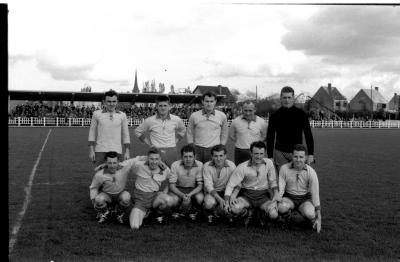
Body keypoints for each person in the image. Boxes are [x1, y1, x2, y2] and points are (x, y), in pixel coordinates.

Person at [224, 141, 280, 227]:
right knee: (234, 209)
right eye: (256, 153)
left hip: (263, 196)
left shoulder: (269, 163)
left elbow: (272, 181)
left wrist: (276, 193)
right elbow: (231, 184)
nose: (259, 156)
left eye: (261, 153)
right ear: (251, 153)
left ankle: (262, 215)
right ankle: (247, 214)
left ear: (264, 153)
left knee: (274, 214)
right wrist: (227, 201)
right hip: (247, 196)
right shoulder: (242, 167)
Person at [266, 86, 314, 172]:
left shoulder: (301, 114)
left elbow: (308, 134)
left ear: (293, 98)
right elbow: (270, 137)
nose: (287, 100)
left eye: (289, 97)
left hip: (297, 153)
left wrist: (311, 154)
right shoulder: (274, 116)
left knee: (298, 180)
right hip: (280, 153)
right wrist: (270, 156)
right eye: (284, 97)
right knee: (282, 181)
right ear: (281, 98)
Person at [277, 144, 321, 233]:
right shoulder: (284, 168)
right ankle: (286, 219)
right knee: (281, 207)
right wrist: (277, 202)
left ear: (305, 158)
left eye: (301, 157)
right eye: (295, 156)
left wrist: (319, 215)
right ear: (292, 156)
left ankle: (309, 220)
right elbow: (281, 189)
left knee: (310, 213)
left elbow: (315, 194)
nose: (298, 160)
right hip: (289, 197)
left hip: (305, 199)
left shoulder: (311, 172)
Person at [125, 147, 172, 230]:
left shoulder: (165, 169)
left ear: (160, 159)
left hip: (154, 198)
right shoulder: (139, 165)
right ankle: (145, 212)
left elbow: (172, 180)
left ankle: (158, 213)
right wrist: (141, 157)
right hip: (141, 201)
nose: (154, 162)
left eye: (157, 159)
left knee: (167, 199)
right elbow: (128, 163)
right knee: (134, 226)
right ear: (147, 158)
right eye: (151, 159)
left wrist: (164, 192)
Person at [135, 95, 186, 167]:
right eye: (160, 105)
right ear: (156, 106)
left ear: (169, 106)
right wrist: (149, 144)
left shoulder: (176, 119)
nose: (163, 108)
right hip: (156, 151)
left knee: (171, 174)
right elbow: (138, 131)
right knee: (156, 174)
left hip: (171, 150)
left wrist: (176, 141)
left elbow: (183, 130)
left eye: (165, 105)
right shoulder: (150, 120)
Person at [88, 90, 130, 166]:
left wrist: (127, 151)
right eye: (109, 101)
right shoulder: (96, 114)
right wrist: (91, 150)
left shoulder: (122, 115)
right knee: (100, 176)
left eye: (114, 101)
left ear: (117, 102)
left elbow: (126, 134)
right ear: (104, 102)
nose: (111, 104)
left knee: (117, 176)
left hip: (117, 150)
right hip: (100, 150)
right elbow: (92, 132)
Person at [89, 151, 133, 224]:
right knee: (99, 200)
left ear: (118, 162)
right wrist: (94, 201)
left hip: (120, 194)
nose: (112, 166)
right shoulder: (99, 174)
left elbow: (136, 160)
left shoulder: (124, 168)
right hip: (107, 195)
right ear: (106, 162)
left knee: (127, 197)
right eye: (110, 163)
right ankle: (105, 212)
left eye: (114, 163)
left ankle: (118, 212)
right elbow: (93, 188)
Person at [186, 91, 229, 163]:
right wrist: (191, 145)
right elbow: (189, 132)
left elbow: (225, 132)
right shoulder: (194, 115)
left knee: (211, 171)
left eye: (211, 101)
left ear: (215, 102)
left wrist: (222, 145)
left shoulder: (222, 116)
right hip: (197, 148)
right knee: (198, 171)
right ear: (202, 101)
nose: (209, 104)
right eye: (207, 101)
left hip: (214, 149)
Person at [167, 144, 204, 221]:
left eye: (190, 156)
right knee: (172, 200)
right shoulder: (175, 165)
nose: (188, 159)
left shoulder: (200, 165)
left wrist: (189, 195)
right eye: (185, 156)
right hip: (179, 189)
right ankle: (176, 211)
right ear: (182, 157)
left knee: (200, 198)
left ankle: (193, 211)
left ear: (195, 157)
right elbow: (172, 186)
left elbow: (200, 186)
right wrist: (182, 195)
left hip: (193, 189)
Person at [202, 144, 236, 224]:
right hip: (212, 192)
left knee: (233, 205)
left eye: (221, 155)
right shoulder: (206, 166)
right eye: (216, 156)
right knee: (209, 203)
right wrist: (220, 200)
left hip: (227, 191)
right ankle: (210, 213)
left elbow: (234, 184)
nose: (218, 159)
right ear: (212, 156)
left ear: (225, 156)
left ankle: (230, 214)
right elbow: (208, 186)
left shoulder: (231, 166)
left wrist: (227, 199)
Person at [229, 100, 267, 166]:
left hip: (255, 152)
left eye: (250, 110)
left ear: (255, 110)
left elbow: (264, 136)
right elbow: (231, 135)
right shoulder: (236, 121)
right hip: (240, 152)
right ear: (242, 109)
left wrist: (256, 145)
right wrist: (240, 142)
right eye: (245, 110)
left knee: (254, 172)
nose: (248, 113)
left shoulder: (261, 122)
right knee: (240, 172)